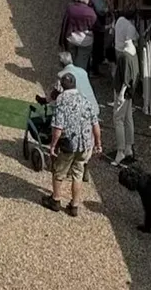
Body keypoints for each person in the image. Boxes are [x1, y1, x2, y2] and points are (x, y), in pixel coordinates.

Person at [41, 72, 102, 216]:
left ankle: (55, 200)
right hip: (85, 143)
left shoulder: (61, 101)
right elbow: (95, 124)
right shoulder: (85, 100)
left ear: (62, 87)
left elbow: (58, 128)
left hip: (69, 144)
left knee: (59, 171)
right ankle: (74, 205)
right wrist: (98, 143)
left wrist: (53, 145)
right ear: (75, 84)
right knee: (78, 174)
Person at [112, 9, 138, 166]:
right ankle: (129, 147)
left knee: (118, 119)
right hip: (130, 91)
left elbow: (126, 79)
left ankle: (120, 151)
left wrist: (121, 93)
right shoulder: (134, 54)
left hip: (123, 91)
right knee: (128, 118)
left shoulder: (124, 56)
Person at [59, 0, 97, 70]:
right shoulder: (91, 13)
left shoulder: (70, 9)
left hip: (71, 38)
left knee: (70, 61)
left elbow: (65, 24)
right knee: (81, 64)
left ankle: (69, 75)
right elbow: (94, 28)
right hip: (85, 41)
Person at [88, 0, 110, 76]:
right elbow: (101, 10)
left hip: (90, 19)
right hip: (96, 20)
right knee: (97, 44)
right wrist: (107, 8)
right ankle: (94, 69)